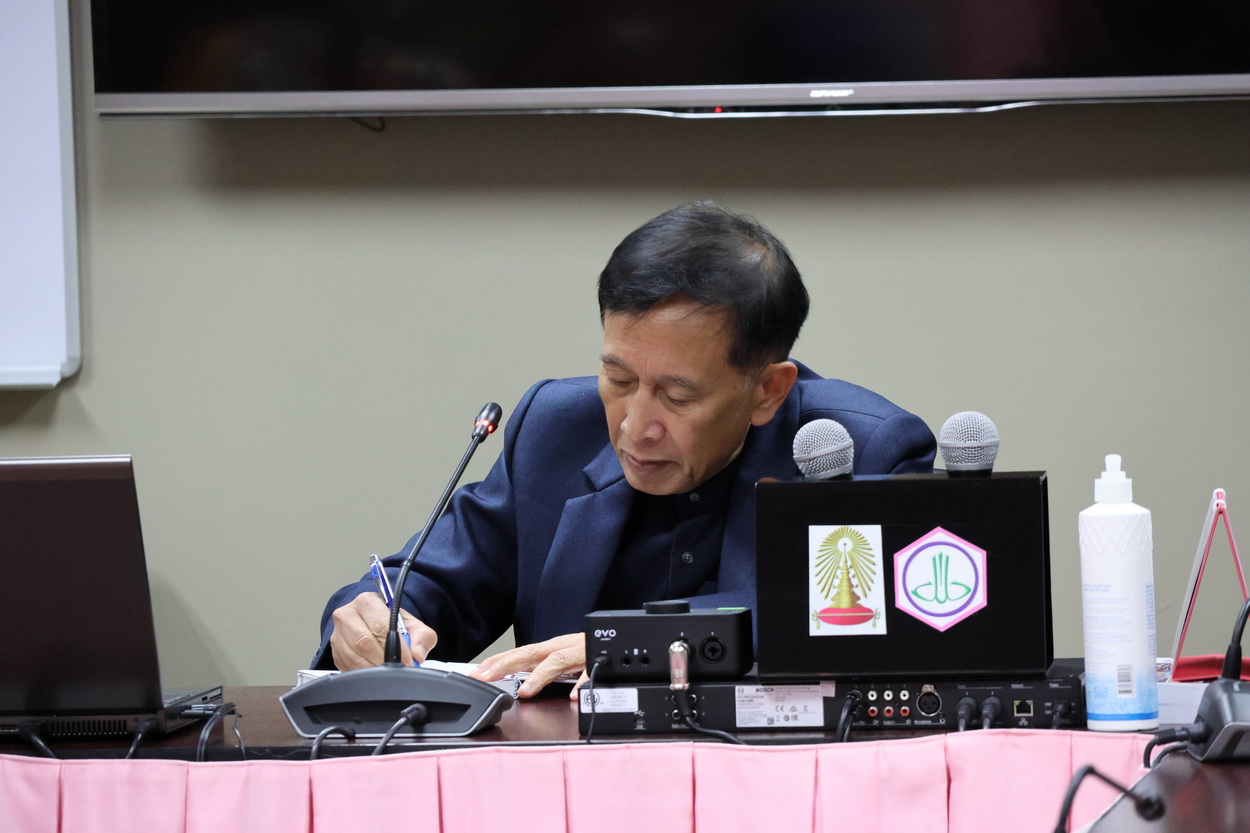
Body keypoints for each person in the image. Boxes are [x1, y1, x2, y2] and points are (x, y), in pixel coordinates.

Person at [313, 201, 935, 696]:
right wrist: (375, 618)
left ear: (767, 390)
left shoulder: (862, 452)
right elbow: (435, 579)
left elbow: (854, 625)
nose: (636, 427)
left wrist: (628, 644)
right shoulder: (555, 429)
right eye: (619, 379)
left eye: (677, 395)